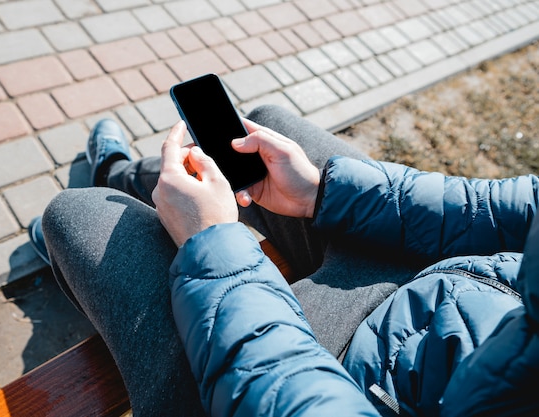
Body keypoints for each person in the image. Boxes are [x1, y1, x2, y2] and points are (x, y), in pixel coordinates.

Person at [31, 105, 539, 416]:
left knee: (79, 217)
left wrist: (215, 244)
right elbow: (508, 207)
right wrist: (322, 193)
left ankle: (107, 189)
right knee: (263, 128)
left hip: (332, 387)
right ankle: (123, 176)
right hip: (441, 288)